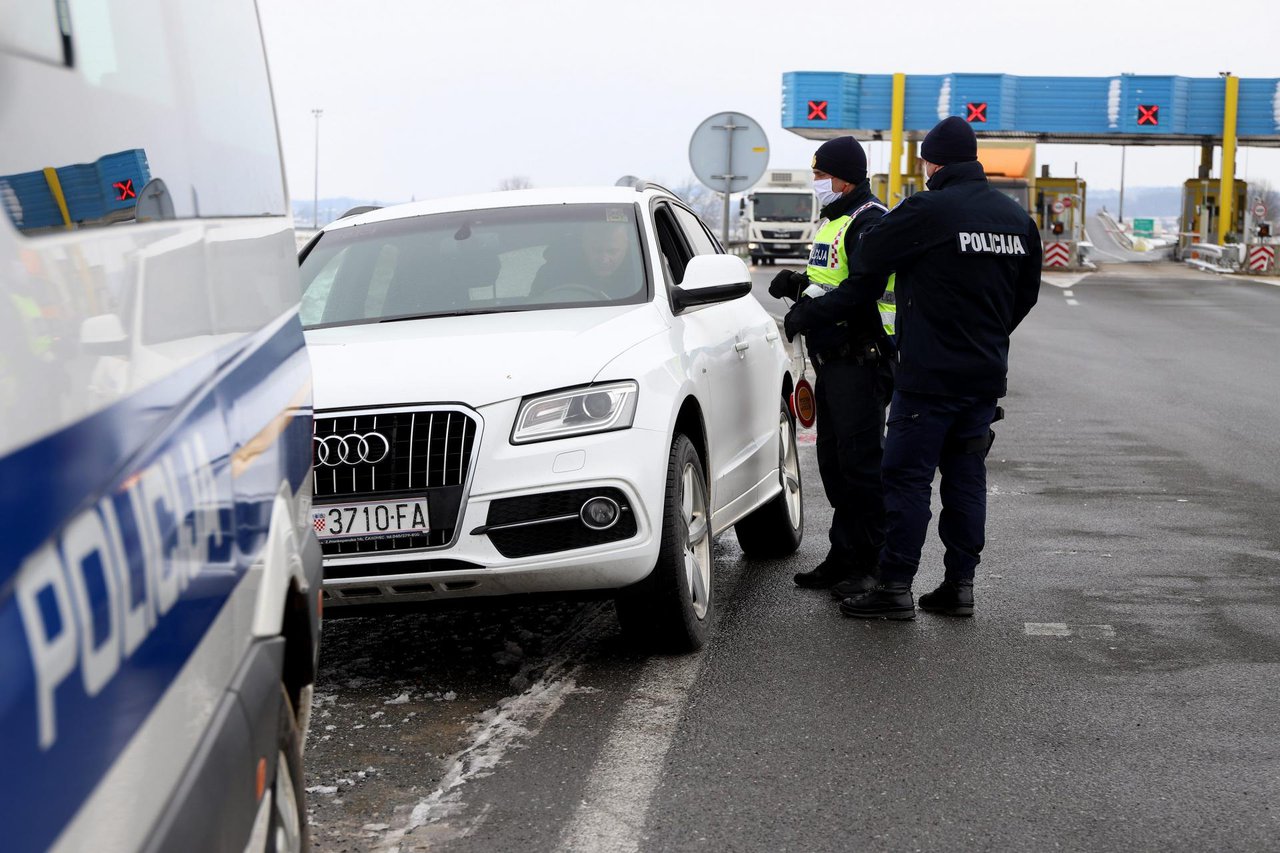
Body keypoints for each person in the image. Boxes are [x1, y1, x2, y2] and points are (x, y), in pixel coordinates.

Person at [833, 115, 1042, 620]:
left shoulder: (929, 209)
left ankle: (895, 587)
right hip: (983, 377)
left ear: (932, 162)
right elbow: (1026, 294)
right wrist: (987, 335)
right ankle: (959, 587)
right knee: (966, 480)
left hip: (927, 378)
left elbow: (870, 255)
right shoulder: (1015, 219)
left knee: (906, 479)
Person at [767, 136, 895, 597]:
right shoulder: (835, 222)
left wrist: (809, 314)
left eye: (821, 174)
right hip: (833, 363)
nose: (817, 181)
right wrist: (798, 285)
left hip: (860, 361)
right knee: (835, 464)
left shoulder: (869, 222)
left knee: (862, 466)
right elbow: (830, 281)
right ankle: (844, 554)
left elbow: (863, 289)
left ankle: (872, 565)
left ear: (843, 177)